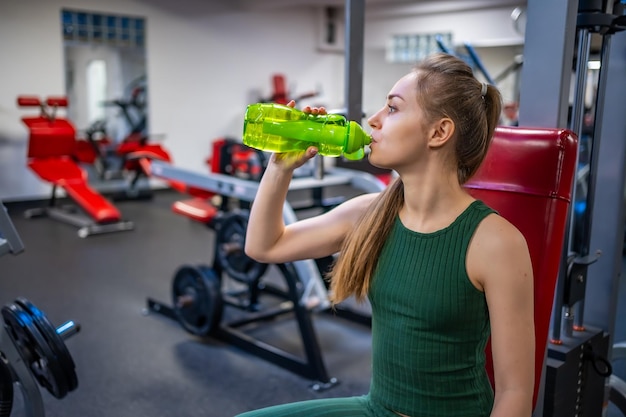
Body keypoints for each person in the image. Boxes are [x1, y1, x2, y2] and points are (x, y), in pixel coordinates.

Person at [238, 52, 535, 417]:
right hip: (377, 409)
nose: (373, 121)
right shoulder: (369, 212)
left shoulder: (495, 242)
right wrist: (281, 166)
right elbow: (264, 246)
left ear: (439, 132)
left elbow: (515, 392)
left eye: (392, 109)